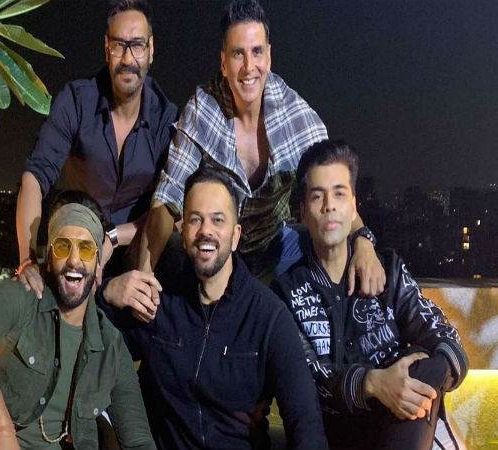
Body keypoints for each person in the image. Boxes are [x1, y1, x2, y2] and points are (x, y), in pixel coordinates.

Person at [136, 0, 383, 294]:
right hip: (219, 247)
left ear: (269, 56)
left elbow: (336, 192)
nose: (248, 67)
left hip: (277, 249)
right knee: (173, 245)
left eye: (256, 52)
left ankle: (320, 313)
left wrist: (364, 243)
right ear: (224, 63)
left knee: (320, 238)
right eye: (238, 54)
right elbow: (167, 199)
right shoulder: (202, 109)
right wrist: (143, 275)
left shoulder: (298, 117)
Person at [99, 166, 329, 450]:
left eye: (217, 220)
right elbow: (95, 347)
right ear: (183, 232)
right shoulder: (159, 302)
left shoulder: (268, 317)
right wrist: (106, 293)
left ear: (235, 235)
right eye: (195, 220)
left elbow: (305, 421)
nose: (205, 231)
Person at [270, 140, 468, 450]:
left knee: (422, 365)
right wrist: (374, 383)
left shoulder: (388, 271)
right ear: (303, 213)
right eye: (317, 196)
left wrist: (421, 375)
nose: (329, 206)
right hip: (340, 435)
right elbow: (310, 380)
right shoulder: (287, 293)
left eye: (339, 194)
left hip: (406, 423)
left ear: (353, 207)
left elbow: (447, 339)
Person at [0, 192, 155, 450]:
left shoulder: (110, 345)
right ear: (49, 256)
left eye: (85, 249)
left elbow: (138, 440)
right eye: (63, 247)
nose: (74, 261)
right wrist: (3, 428)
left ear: (98, 263)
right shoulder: (23, 298)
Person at [16, 0, 177, 297]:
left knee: (176, 251)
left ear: (151, 49)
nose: (127, 58)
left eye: (137, 45)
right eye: (118, 45)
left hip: (135, 246)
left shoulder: (165, 118)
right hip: (78, 242)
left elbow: (170, 209)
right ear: (106, 48)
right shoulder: (76, 101)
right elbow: (35, 177)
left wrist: (113, 237)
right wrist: (27, 260)